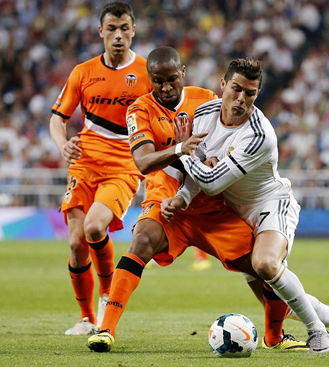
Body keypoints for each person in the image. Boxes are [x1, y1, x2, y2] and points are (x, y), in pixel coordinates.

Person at [87, 46, 308, 353]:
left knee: (262, 267)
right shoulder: (139, 109)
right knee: (141, 240)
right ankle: (105, 329)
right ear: (149, 78)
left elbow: (227, 145)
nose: (165, 87)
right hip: (167, 200)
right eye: (157, 80)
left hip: (211, 203)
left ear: (183, 74)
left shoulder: (205, 100)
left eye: (171, 79)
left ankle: (275, 335)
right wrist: (179, 149)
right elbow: (143, 161)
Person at [162, 58, 329, 353]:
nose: (241, 99)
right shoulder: (202, 115)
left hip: (270, 204)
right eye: (237, 89)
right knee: (277, 298)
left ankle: (317, 332)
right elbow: (199, 171)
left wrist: (183, 152)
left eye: (250, 93)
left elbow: (211, 182)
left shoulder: (259, 134)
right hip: (237, 215)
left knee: (265, 264)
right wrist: (183, 196)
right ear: (223, 85)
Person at [49, 2, 152, 336]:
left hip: (124, 164)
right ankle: (86, 317)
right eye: (112, 28)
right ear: (101, 32)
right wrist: (62, 144)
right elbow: (57, 118)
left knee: (95, 227)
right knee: (77, 242)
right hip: (85, 162)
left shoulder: (148, 73)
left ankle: (107, 296)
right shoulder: (83, 71)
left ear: (133, 30)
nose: (118, 35)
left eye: (124, 28)